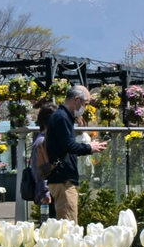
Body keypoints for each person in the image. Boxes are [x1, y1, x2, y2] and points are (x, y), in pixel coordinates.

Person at [44, 85, 107, 223]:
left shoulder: (62, 116)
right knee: (69, 225)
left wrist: (89, 147)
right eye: (85, 104)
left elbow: (65, 147)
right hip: (63, 179)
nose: (85, 108)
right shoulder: (62, 117)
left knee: (65, 223)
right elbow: (69, 146)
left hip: (61, 177)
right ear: (76, 99)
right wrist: (90, 147)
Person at [30, 104, 55, 218]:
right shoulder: (41, 142)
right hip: (47, 196)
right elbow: (40, 171)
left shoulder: (45, 140)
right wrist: (45, 193)